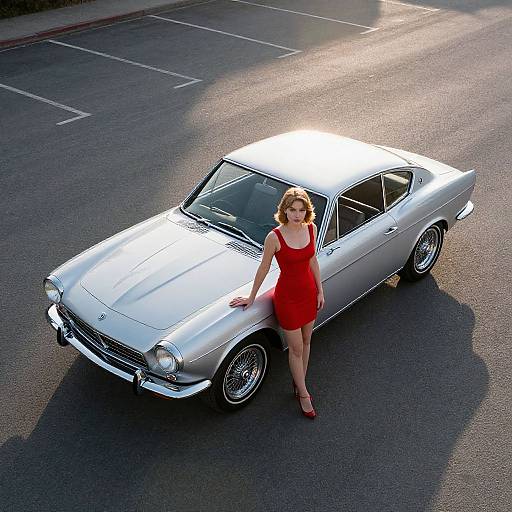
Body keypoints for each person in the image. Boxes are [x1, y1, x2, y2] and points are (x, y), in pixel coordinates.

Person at [229, 187, 325, 419]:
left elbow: (313, 261)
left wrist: (320, 291)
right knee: (296, 348)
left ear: (307, 211)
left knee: (307, 341)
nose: (297, 214)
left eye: (301, 210)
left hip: (308, 293)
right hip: (288, 299)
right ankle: (303, 393)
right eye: (292, 209)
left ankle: (298, 382)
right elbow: (263, 268)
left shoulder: (311, 228)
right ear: (284, 210)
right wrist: (251, 296)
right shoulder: (274, 237)